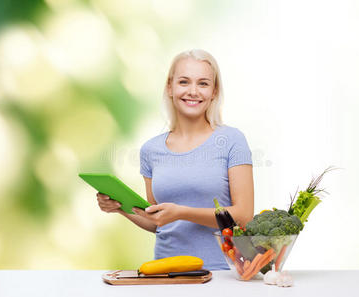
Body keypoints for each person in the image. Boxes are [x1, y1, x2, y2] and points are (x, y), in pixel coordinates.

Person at [97, 49, 254, 270]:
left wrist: (182, 212)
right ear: (170, 88)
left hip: (223, 271)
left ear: (214, 91)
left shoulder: (232, 140)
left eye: (203, 83)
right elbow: (157, 220)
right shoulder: (151, 150)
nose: (193, 91)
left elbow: (244, 216)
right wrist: (119, 208)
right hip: (165, 270)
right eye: (184, 82)